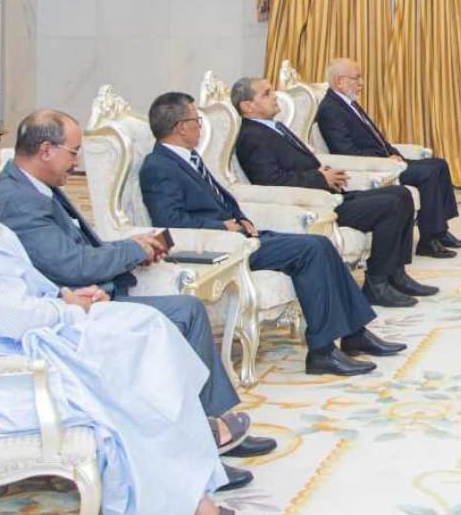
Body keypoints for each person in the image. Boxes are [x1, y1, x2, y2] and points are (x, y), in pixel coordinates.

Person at [0, 113, 277, 515]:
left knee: (147, 331)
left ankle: (192, 473)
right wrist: (68, 308)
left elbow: (9, 296)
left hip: (5, 353)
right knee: (136, 369)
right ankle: (190, 509)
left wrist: (64, 297)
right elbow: (14, 318)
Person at [0, 108, 275, 491]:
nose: (76, 163)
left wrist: (131, 248)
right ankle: (200, 449)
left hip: (92, 296)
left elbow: (77, 250)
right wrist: (131, 251)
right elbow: (71, 265)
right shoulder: (18, 199)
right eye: (73, 153)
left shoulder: (37, 185)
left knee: (188, 311)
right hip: (72, 310)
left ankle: (213, 428)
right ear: (45, 150)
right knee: (184, 313)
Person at [139, 92, 406, 377]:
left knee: (320, 244)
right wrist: (224, 228)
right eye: (197, 121)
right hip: (222, 248)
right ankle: (322, 352)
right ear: (181, 127)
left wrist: (241, 218)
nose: (200, 127)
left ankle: (354, 334)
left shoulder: (186, 158)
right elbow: (170, 221)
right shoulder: (159, 166)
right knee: (312, 250)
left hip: (242, 236)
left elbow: (218, 200)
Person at [231, 77, 437, 309]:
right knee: (390, 204)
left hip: (328, 194)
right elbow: (270, 181)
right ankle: (377, 283)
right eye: (267, 94)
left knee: (400, 194)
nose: (275, 96)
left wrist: (325, 173)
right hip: (315, 206)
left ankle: (396, 274)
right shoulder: (251, 136)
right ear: (247, 106)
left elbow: (299, 164)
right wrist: (320, 178)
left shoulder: (274, 126)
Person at [317, 57, 461, 258]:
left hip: (388, 161)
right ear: (339, 81)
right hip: (377, 168)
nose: (362, 83)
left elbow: (376, 138)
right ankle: (428, 240)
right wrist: (385, 162)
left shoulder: (348, 103)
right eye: (357, 78)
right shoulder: (330, 109)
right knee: (429, 172)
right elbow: (346, 151)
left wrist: (394, 153)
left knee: (439, 164)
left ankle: (440, 231)